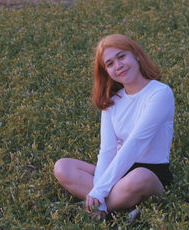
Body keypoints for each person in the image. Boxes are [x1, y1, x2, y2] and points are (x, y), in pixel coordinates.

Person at [53, 34, 174, 218]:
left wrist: (99, 191)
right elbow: (107, 151)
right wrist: (100, 188)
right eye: (109, 64)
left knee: (138, 177)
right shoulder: (113, 102)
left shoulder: (160, 92)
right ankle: (110, 207)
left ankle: (91, 209)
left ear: (137, 56)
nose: (118, 66)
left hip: (150, 174)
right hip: (118, 174)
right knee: (63, 167)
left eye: (121, 56)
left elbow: (136, 143)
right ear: (107, 72)